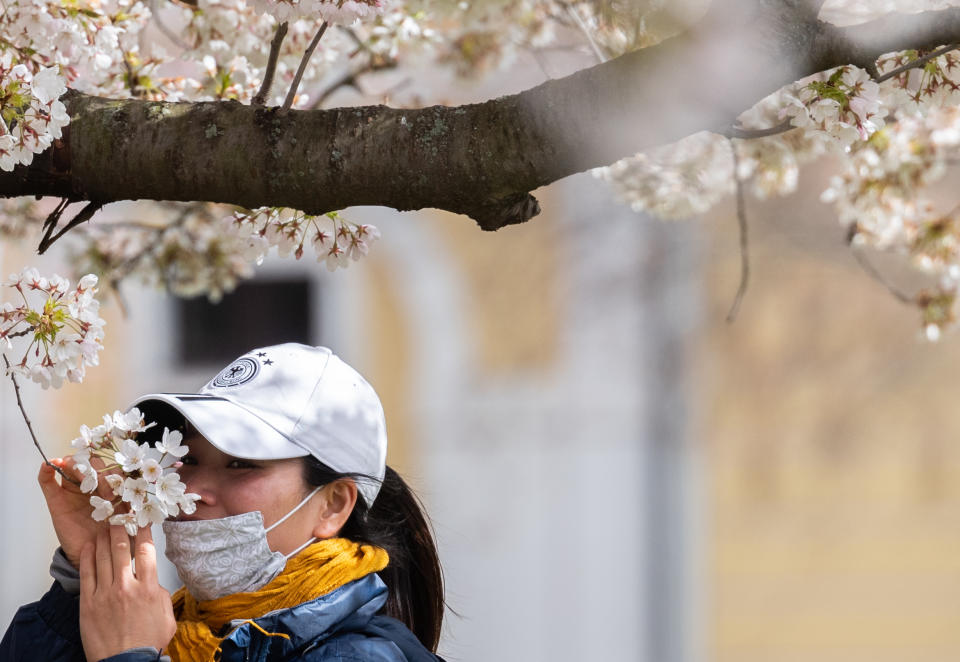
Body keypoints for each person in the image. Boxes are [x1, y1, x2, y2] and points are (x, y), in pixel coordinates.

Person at [0, 343, 446, 662]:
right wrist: (90, 577)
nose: (193, 490)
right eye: (189, 459)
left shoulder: (361, 655)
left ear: (332, 506)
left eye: (241, 465)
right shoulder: (181, 631)